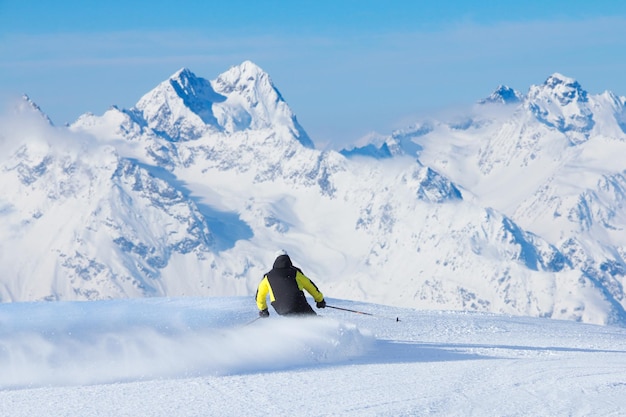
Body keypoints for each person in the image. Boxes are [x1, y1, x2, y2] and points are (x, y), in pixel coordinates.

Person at [256, 250, 326, 317]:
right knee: (312, 319)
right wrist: (320, 300)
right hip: (298, 303)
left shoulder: (268, 277)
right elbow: (310, 286)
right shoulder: (295, 272)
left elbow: (260, 295)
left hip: (280, 308)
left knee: (294, 321)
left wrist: (263, 310)